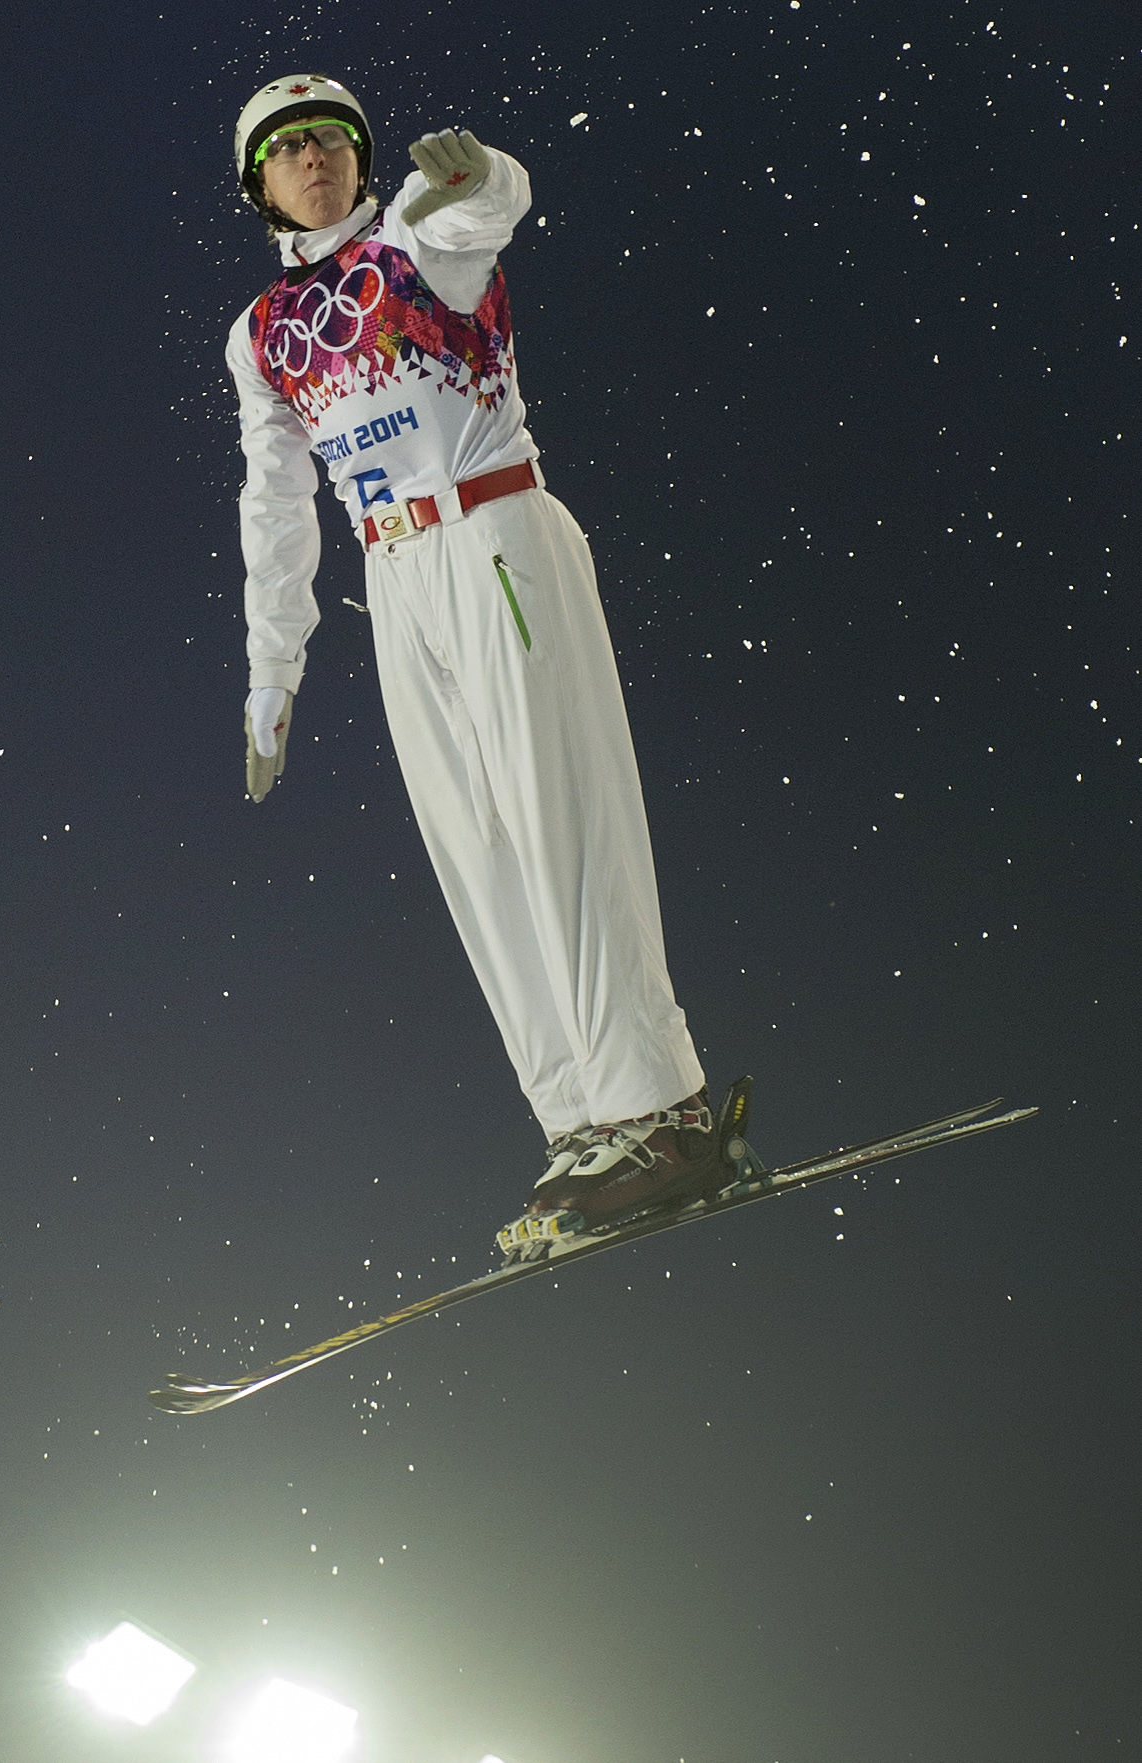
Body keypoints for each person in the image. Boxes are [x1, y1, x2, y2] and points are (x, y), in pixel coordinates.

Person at [227, 72, 733, 1253]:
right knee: (476, 848)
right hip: (393, 576)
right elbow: (274, 501)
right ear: (259, 183)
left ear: (360, 158)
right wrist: (272, 665)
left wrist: (479, 174)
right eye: (288, 147)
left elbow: (489, 207)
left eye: (330, 138)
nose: (314, 158)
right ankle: (580, 1117)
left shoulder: (414, 235)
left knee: (560, 813)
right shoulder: (259, 334)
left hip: (492, 531)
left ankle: (659, 1109)